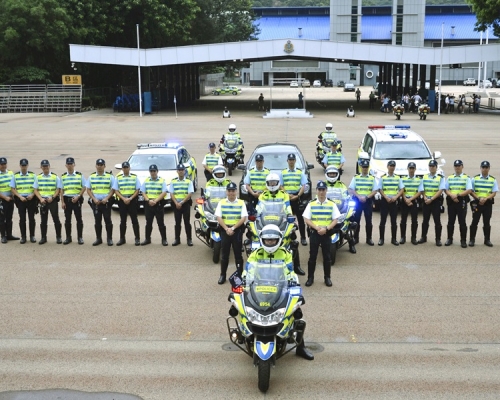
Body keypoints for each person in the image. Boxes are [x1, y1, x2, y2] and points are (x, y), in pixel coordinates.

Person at [243, 224, 314, 360]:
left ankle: (300, 347)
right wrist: (245, 280)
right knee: (245, 308)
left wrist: (293, 282)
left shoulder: (286, 254)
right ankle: (245, 334)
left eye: (273, 240)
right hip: (258, 287)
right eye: (267, 240)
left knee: (296, 315)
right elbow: (248, 270)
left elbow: (290, 271)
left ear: (279, 240)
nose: (270, 243)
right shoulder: (255, 253)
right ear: (262, 240)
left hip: (280, 288)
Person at [303, 181, 340, 287]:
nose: (321, 192)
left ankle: (327, 278)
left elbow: (335, 219)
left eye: (323, 190)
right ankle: (310, 278)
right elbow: (306, 219)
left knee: (327, 257)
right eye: (319, 190)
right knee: (312, 257)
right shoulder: (311, 204)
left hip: (326, 234)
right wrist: (317, 228)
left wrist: (326, 228)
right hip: (315, 233)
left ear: (326, 191)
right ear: (317, 191)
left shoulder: (332, 204)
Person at [215, 182, 248, 284]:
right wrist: (226, 228)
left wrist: (233, 228)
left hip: (236, 231)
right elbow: (218, 217)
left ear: (236, 191)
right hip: (225, 230)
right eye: (229, 191)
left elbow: (243, 218)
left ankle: (239, 275)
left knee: (238, 254)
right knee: (225, 254)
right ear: (226, 192)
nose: (231, 193)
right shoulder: (221, 202)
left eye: (233, 191)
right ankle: (222, 275)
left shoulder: (241, 203)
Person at [324, 166, 356, 254]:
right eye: (330, 174)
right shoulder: (323, 185)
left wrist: (350, 205)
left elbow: (347, 197)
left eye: (334, 174)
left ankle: (351, 244)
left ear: (337, 174)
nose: (332, 175)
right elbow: (318, 197)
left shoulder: (342, 185)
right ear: (327, 174)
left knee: (349, 224)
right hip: (327, 210)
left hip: (340, 209)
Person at [281, 153, 308, 246]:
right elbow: (281, 185)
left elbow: (304, 185)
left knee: (300, 219)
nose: (291, 161)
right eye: (290, 160)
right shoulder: (283, 172)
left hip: (297, 197)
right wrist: (287, 195)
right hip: (287, 198)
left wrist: (298, 195)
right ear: (287, 161)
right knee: (287, 219)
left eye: (293, 160)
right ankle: (290, 237)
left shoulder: (300, 172)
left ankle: (303, 238)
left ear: (295, 161)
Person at [348, 159, 377, 245]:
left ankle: (369, 239)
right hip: (358, 201)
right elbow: (351, 189)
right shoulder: (356, 177)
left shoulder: (372, 178)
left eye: (366, 167)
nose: (365, 169)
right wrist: (359, 196)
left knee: (369, 221)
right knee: (356, 221)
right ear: (361, 167)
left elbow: (375, 190)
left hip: (368, 201)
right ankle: (356, 238)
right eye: (363, 167)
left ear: (368, 168)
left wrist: (367, 197)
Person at [469, 161, 498, 247]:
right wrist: (478, 198)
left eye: (486, 167)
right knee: (474, 221)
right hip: (477, 203)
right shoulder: (475, 179)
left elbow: (494, 192)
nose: (485, 169)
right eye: (483, 167)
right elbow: (471, 191)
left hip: (487, 204)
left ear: (489, 168)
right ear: (481, 168)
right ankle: (472, 239)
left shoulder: (493, 179)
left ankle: (487, 240)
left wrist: (486, 198)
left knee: (487, 222)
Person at [86, 159, 115, 246]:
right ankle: (98, 239)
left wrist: (107, 198)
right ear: (96, 166)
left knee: (108, 221)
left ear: (104, 166)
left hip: (106, 203)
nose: (99, 166)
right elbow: (88, 189)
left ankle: (109, 239)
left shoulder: (110, 177)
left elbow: (113, 189)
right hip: (96, 203)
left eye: (101, 165)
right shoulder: (92, 177)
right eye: (98, 164)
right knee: (97, 221)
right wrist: (94, 199)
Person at [444, 160, 472, 248]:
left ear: (462, 167)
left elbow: (469, 190)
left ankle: (463, 240)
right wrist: (452, 196)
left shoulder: (466, 178)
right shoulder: (450, 177)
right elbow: (445, 189)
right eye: (456, 166)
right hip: (452, 202)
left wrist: (458, 195)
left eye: (459, 165)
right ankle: (449, 239)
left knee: (462, 222)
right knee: (450, 222)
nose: (457, 167)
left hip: (461, 201)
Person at [418, 160, 446, 246]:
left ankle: (438, 239)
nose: (431, 167)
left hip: (435, 202)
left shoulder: (440, 177)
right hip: (426, 201)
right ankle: (423, 237)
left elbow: (441, 190)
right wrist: (425, 198)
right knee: (425, 221)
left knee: (437, 221)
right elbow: (422, 189)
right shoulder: (424, 177)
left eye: (433, 166)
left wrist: (432, 199)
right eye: (430, 166)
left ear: (436, 167)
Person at [34, 160, 62, 245]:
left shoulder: (55, 177)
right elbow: (35, 190)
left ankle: (58, 237)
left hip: (52, 201)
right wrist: (40, 199)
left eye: (46, 166)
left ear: (49, 166)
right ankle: (43, 237)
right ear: (41, 167)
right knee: (43, 221)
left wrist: (53, 197)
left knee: (56, 219)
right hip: (43, 201)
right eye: (43, 166)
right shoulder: (38, 177)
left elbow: (58, 189)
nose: (45, 168)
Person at [113, 161, 141, 246]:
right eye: (124, 168)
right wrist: (123, 198)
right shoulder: (118, 178)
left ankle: (137, 238)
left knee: (134, 220)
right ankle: (122, 238)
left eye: (126, 167)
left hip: (132, 200)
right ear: (122, 169)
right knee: (123, 221)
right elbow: (116, 190)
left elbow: (137, 189)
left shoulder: (134, 177)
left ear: (129, 168)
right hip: (122, 200)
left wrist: (131, 198)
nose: (125, 169)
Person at [10, 159, 38, 244]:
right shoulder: (16, 176)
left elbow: (36, 188)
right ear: (20, 166)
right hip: (21, 199)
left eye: (25, 165)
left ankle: (32, 236)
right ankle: (23, 237)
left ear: (28, 165)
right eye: (22, 165)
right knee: (22, 219)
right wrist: (19, 196)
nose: (24, 167)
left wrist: (32, 195)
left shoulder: (33, 175)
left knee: (31, 219)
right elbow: (12, 188)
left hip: (31, 199)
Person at [377, 160, 404, 246]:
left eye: (393, 166)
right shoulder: (383, 177)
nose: (392, 167)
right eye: (390, 166)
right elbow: (380, 189)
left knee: (394, 221)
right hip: (385, 201)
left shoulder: (398, 177)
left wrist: (396, 197)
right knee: (383, 221)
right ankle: (381, 239)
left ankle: (394, 239)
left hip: (394, 201)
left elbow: (402, 189)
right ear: (387, 167)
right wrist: (386, 197)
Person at [60, 157, 85, 245]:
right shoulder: (63, 176)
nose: (70, 165)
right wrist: (62, 202)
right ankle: (68, 237)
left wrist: (78, 196)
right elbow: (61, 190)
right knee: (67, 220)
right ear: (66, 165)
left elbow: (84, 187)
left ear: (74, 164)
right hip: (67, 200)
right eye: (68, 164)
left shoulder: (79, 175)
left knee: (79, 219)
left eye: (71, 164)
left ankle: (80, 237)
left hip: (76, 200)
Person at [140, 164, 168, 246]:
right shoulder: (146, 180)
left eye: (154, 171)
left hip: (158, 204)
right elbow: (143, 192)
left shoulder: (162, 181)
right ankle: (147, 239)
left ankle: (164, 239)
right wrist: (148, 200)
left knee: (161, 223)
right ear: (149, 172)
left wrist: (155, 201)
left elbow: (164, 192)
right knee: (148, 223)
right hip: (149, 204)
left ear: (157, 171)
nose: (153, 173)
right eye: (151, 171)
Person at [170, 163, 194, 246]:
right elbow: (171, 193)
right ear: (177, 171)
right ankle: (177, 239)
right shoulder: (173, 181)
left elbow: (190, 193)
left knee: (187, 222)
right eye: (179, 170)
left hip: (185, 204)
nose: (181, 171)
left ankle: (189, 239)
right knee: (177, 222)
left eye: (182, 170)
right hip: (176, 204)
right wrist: (176, 203)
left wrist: (182, 202)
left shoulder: (188, 181)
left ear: (184, 171)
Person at [399, 162, 422, 245]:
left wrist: (411, 199)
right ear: (407, 169)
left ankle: (413, 238)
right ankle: (402, 237)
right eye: (410, 168)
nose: (411, 170)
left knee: (414, 221)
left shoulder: (419, 179)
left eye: (413, 168)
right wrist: (405, 199)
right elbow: (401, 190)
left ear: (415, 169)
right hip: (405, 201)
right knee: (403, 220)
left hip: (414, 201)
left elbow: (420, 192)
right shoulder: (403, 179)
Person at [0, 157, 20, 243]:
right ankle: (3, 236)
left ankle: (9, 235)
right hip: (2, 199)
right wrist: (4, 198)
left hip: (10, 199)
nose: (3, 166)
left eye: (4, 164)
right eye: (2, 164)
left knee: (9, 218)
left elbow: (14, 185)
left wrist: (13, 196)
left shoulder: (11, 173)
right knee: (2, 219)